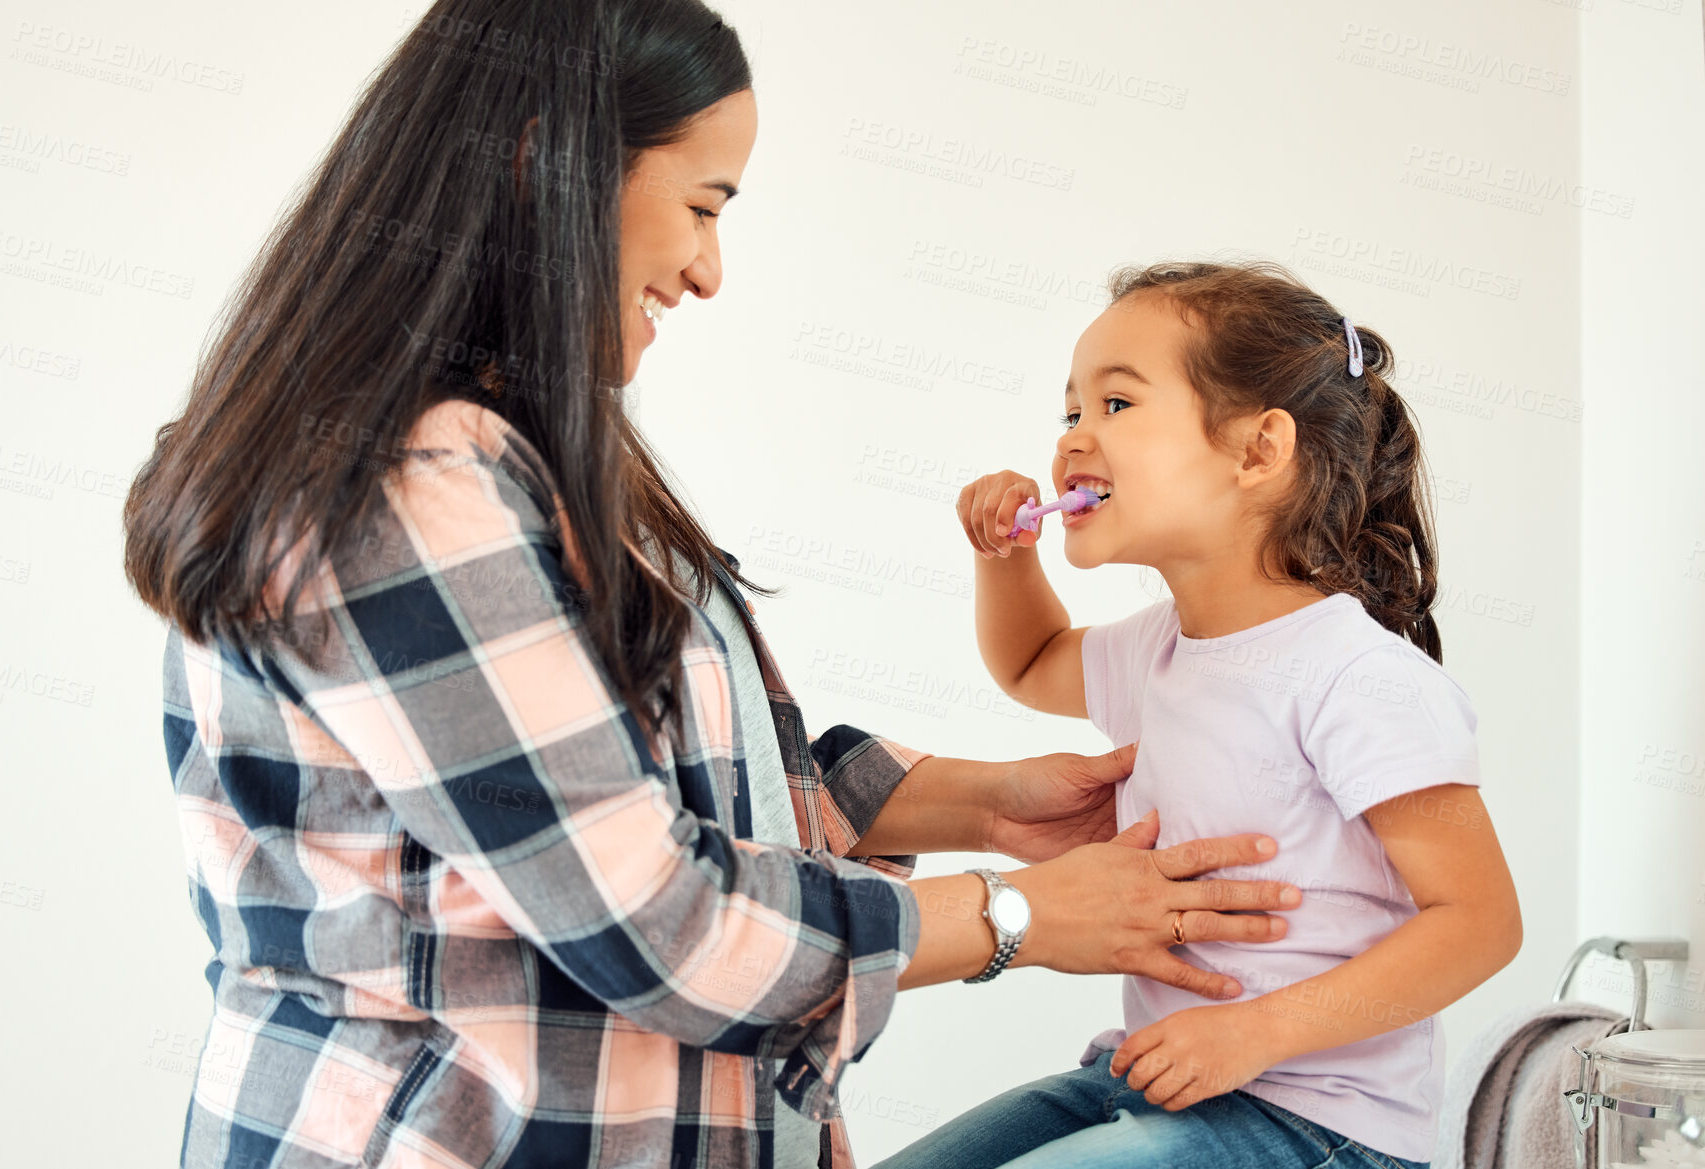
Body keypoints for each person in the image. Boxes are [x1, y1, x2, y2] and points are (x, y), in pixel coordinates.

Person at [121, 6, 1303, 1168]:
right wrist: (1016, 915)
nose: (708, 269)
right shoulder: (410, 490)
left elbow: (651, 781)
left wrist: (984, 804)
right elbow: (655, 919)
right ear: (548, 160)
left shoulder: (527, 453)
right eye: (701, 205)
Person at [873, 261, 1523, 1169]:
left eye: (1117, 405)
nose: (1072, 441)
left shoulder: (1358, 674)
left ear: (1257, 451)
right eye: (1071, 413)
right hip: (1154, 1077)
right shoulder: (1160, 647)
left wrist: (1256, 1031)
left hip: (1318, 1123)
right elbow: (1029, 664)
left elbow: (1481, 921)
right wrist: (1005, 560)